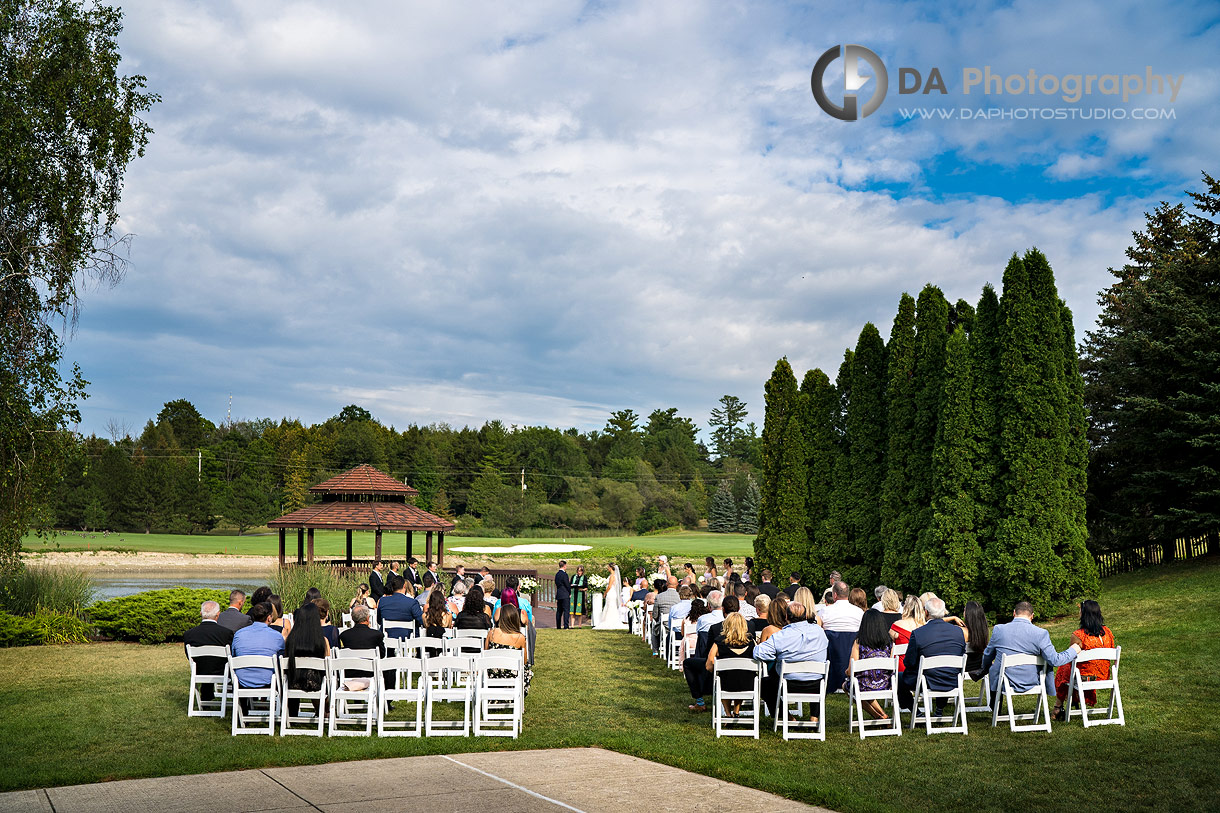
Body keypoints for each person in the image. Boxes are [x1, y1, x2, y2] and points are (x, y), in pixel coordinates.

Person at [977, 601, 1081, 700]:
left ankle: (995, 708)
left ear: (1014, 613)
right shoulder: (1041, 633)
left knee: (994, 667)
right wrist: (1073, 650)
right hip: (1033, 680)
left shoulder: (999, 629)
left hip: (1004, 681)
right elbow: (1054, 660)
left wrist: (985, 667)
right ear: (1032, 616)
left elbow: (988, 655)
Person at [754, 602, 829, 720]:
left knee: (763, 684)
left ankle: (786, 716)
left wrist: (776, 655)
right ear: (805, 616)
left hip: (788, 684)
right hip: (816, 684)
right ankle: (814, 716)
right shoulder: (819, 632)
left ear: (787, 617)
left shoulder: (781, 636)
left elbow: (758, 653)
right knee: (816, 673)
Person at [1052, 600, 1115, 721]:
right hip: (1103, 675)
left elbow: (1071, 656)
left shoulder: (1078, 635)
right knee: (1067, 670)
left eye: (1080, 610)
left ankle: (1058, 706)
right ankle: (1065, 704)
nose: (1078, 612)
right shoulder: (1107, 632)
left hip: (1086, 677)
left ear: (1084, 614)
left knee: (1064, 669)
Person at [901, 597, 966, 712]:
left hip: (927, 681)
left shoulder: (918, 633)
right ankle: (939, 709)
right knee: (943, 669)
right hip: (952, 679)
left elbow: (909, 662)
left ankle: (916, 713)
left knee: (898, 679)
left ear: (926, 612)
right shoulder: (958, 632)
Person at [231, 602, 285, 708]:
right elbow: (281, 659)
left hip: (242, 680)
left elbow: (234, 656)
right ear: (269, 618)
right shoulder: (277, 636)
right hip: (267, 680)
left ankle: (243, 711)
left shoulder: (239, 634)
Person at [705, 612, 756, 717]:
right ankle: (736, 711)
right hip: (748, 684)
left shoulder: (719, 643)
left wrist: (716, 671)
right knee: (741, 674)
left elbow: (708, 665)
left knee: (724, 677)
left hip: (725, 684)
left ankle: (728, 713)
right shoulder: (752, 643)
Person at [283, 603, 330, 716]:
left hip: (293, 682)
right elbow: (328, 666)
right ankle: (323, 711)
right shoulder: (322, 641)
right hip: (315, 683)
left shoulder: (290, 640)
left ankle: (292, 714)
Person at [847, 609, 894, 720]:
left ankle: (879, 715)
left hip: (864, 685)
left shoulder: (859, 643)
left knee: (848, 686)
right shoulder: (889, 644)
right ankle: (882, 716)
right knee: (860, 687)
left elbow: (851, 671)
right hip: (886, 685)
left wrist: (847, 672)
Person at [183, 600, 233, 701]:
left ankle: (206, 698)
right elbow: (231, 654)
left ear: (201, 613)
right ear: (218, 615)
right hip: (222, 671)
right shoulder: (226, 633)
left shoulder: (189, 634)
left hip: (199, 670)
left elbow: (189, 655)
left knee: (207, 662)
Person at [486, 604, 532, 695]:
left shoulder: (492, 633)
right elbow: (524, 661)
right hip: (512, 675)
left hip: (493, 675)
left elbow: (485, 653)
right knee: (528, 670)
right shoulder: (520, 638)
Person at [377, 574, 423, 641]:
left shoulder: (383, 601)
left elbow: (379, 621)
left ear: (392, 587)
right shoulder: (412, 602)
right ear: (404, 586)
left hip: (387, 637)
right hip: (407, 637)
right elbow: (420, 619)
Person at [890, 594, 926, 673]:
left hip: (900, 669)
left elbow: (889, 647)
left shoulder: (897, 626)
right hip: (918, 669)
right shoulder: (925, 628)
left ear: (906, 608)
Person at [651, 577, 680, 655]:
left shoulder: (659, 596)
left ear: (667, 584)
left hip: (664, 625)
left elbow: (655, 615)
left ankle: (655, 651)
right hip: (679, 626)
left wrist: (657, 619)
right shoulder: (680, 596)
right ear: (677, 585)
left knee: (654, 629)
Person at [593, 565, 627, 630]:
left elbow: (609, 586)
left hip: (611, 593)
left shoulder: (612, 576)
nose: (607, 568)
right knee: (611, 606)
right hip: (613, 593)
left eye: (608, 567)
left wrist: (605, 593)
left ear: (611, 568)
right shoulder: (615, 576)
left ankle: (609, 621)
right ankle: (611, 620)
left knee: (610, 606)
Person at [962, 600, 991, 675]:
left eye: (965, 610)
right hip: (978, 665)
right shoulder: (983, 631)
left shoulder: (962, 631)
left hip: (963, 666)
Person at [554, 560, 572, 630]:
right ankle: (566, 626)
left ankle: (558, 626)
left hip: (559, 594)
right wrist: (569, 592)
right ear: (564, 566)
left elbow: (556, 583)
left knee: (559, 611)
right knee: (566, 610)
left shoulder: (557, 574)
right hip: (565, 594)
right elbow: (567, 584)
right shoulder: (565, 575)